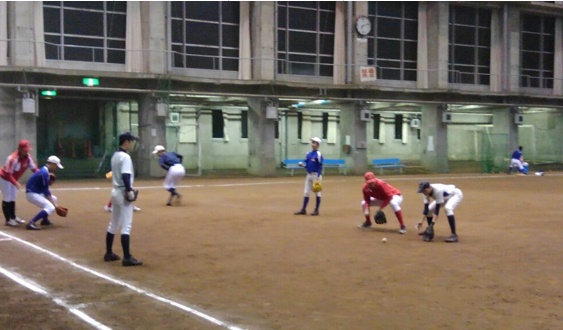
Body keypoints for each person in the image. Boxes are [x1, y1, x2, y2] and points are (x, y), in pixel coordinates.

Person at [104, 132, 142, 267]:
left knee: (113, 224)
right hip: (123, 191)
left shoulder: (115, 155)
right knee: (126, 225)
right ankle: (127, 257)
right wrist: (129, 191)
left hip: (115, 191)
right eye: (131, 141)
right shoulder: (125, 157)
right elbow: (126, 176)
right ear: (126, 142)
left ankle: (108, 253)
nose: (132, 144)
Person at [1, 139, 39, 227]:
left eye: (28, 150)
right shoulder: (12, 159)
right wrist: (15, 183)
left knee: (13, 197)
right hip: (4, 178)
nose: (27, 152)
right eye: (25, 150)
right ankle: (8, 220)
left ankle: (13, 217)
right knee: (7, 198)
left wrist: (42, 175)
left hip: (13, 179)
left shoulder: (28, 158)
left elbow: (35, 169)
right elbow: (7, 174)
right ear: (20, 149)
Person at [24, 156, 64, 230]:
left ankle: (45, 220)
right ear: (52, 164)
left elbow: (45, 189)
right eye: (56, 166)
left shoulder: (45, 171)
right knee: (50, 207)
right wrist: (56, 206)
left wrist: (54, 203)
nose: (56, 168)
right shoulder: (44, 173)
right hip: (32, 194)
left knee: (54, 199)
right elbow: (46, 192)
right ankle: (31, 222)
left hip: (36, 192)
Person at [294, 137, 323, 216]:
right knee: (306, 192)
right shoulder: (308, 154)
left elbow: (320, 166)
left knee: (317, 193)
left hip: (316, 175)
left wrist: (318, 176)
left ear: (317, 144)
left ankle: (316, 210)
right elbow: (307, 165)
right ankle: (303, 209)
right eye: (312, 142)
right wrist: (302, 165)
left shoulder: (318, 154)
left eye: (314, 142)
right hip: (309, 175)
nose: (312, 144)